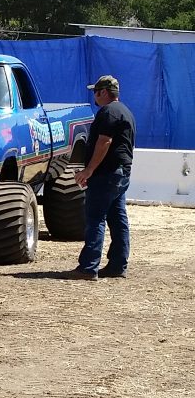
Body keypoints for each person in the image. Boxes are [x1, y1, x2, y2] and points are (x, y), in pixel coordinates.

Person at [64, 75, 136, 281]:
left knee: (96, 218)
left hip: (107, 173)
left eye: (96, 91)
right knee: (118, 218)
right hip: (121, 173)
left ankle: (88, 267)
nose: (94, 96)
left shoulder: (108, 112)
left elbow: (104, 142)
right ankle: (117, 265)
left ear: (104, 92)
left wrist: (89, 170)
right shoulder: (125, 112)